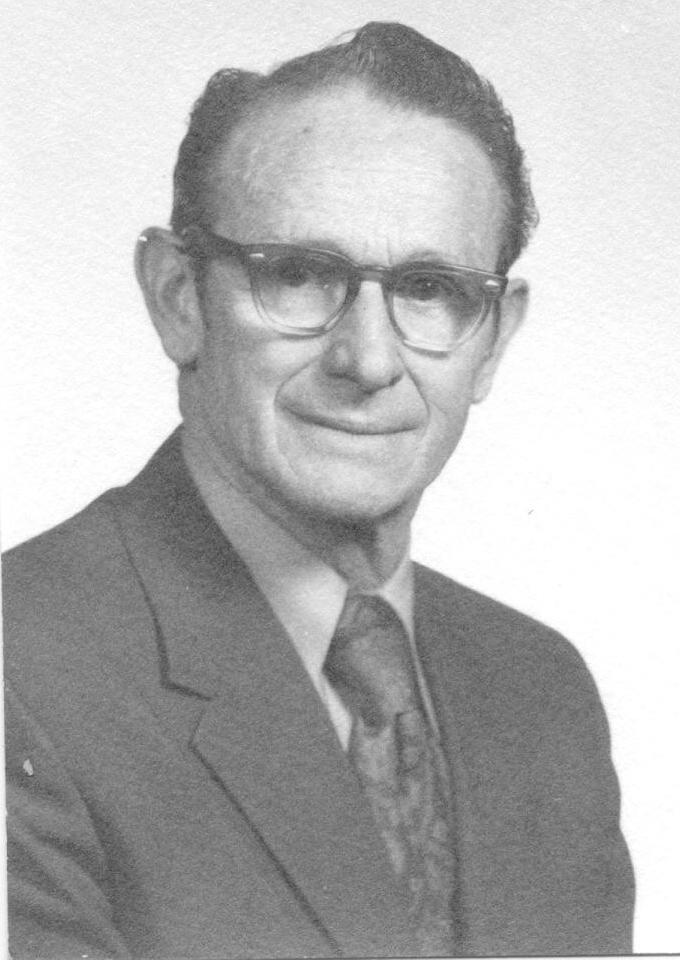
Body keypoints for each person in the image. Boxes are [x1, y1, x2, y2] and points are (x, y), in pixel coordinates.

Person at [3, 21, 634, 959]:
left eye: (430, 288)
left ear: (493, 339)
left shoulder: (542, 692)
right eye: (298, 275)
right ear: (178, 297)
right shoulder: (21, 668)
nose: (369, 360)